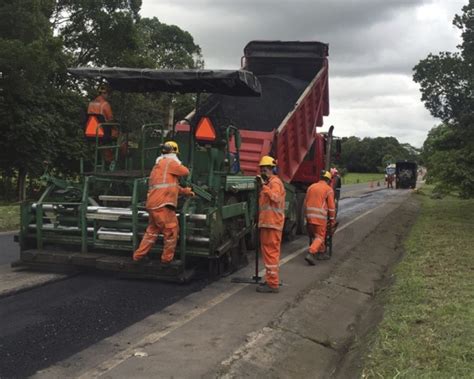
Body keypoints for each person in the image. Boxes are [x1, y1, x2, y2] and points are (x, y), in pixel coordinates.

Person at [133, 141, 194, 266]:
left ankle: (138, 256)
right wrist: (177, 161)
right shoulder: (170, 162)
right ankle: (167, 261)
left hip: (153, 204)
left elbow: (168, 186)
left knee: (152, 231)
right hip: (162, 205)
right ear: (174, 153)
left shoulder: (159, 165)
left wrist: (185, 191)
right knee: (171, 231)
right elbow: (185, 171)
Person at [256, 155, 286, 293]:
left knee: (271, 253)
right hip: (268, 223)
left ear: (271, 169)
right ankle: (270, 280)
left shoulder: (275, 183)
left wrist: (263, 186)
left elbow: (275, 197)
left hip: (273, 223)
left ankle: (273, 283)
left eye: (265, 170)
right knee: (268, 253)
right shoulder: (269, 183)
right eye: (262, 170)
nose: (263, 172)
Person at [304, 170, 336, 265]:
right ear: (329, 180)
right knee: (321, 237)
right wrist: (332, 219)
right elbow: (331, 207)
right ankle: (311, 252)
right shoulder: (328, 189)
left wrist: (306, 215)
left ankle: (321, 252)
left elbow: (306, 202)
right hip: (320, 216)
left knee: (316, 235)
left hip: (309, 215)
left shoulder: (311, 187)